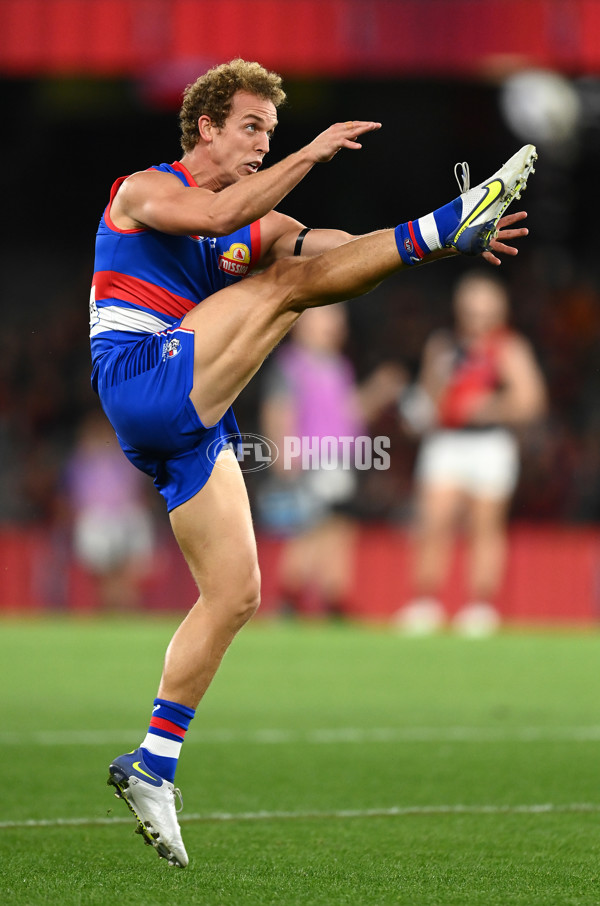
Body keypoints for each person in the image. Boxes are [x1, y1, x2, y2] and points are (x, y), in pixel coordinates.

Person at [90, 58, 536, 866]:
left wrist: (439, 243)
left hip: (191, 421)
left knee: (235, 595)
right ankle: (441, 224)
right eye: (252, 128)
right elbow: (222, 213)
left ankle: (153, 766)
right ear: (207, 128)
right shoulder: (143, 192)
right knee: (280, 291)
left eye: (274, 131)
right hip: (142, 378)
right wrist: (314, 154)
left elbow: (328, 255)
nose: (267, 143)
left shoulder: (247, 226)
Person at [396, 271, 547, 636]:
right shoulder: (443, 344)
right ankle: (426, 602)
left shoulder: (509, 348)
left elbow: (530, 401)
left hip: (489, 444)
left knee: (485, 526)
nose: (477, 317)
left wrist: (487, 407)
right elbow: (428, 397)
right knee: (434, 522)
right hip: (446, 441)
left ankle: (480, 607)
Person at [257, 304, 403, 618]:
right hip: (311, 460)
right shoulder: (291, 365)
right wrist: (283, 457)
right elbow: (279, 410)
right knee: (310, 527)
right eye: (326, 316)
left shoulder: (339, 367)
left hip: (341, 461)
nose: (335, 323)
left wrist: (378, 390)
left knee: (339, 528)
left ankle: (333, 593)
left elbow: (348, 413)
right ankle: (290, 594)